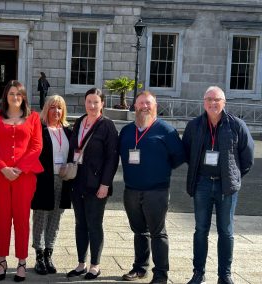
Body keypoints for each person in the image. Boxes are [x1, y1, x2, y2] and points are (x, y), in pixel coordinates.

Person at [183, 86, 254, 284]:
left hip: (226, 186)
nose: (213, 103)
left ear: (224, 102)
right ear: (203, 102)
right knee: (201, 230)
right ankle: (198, 273)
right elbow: (188, 153)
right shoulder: (194, 126)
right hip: (202, 185)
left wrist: (233, 177)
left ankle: (225, 275)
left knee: (226, 231)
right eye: (209, 99)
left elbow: (247, 158)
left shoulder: (237, 125)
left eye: (217, 100)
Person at [118, 91, 185, 284]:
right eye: (141, 103)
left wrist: (160, 169)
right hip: (131, 190)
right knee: (139, 231)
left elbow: (179, 157)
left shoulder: (166, 130)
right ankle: (140, 268)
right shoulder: (127, 131)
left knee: (157, 232)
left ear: (155, 106)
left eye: (148, 103)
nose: (144, 106)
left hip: (157, 191)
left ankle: (161, 274)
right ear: (135, 106)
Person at [0, 80, 43, 282]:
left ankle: (22, 261)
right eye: (11, 94)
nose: (15, 97)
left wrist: (19, 169)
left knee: (21, 219)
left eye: (19, 94)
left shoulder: (33, 117)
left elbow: (36, 146)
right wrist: (3, 168)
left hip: (24, 177)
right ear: (5, 97)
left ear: (24, 96)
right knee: (2, 218)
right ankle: (1, 260)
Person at [66, 88, 119, 280]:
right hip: (77, 181)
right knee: (80, 223)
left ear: (102, 104)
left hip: (97, 184)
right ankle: (81, 263)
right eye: (89, 101)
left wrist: (105, 184)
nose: (92, 105)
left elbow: (112, 158)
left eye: (96, 102)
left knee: (94, 224)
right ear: (84, 102)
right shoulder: (80, 121)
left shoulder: (107, 126)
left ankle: (95, 265)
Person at [30, 95, 72, 275]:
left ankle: (49, 253)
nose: (56, 111)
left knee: (55, 218)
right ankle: (39, 256)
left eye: (60, 108)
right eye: (53, 107)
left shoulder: (68, 130)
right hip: (43, 179)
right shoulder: (39, 128)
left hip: (62, 179)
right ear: (47, 108)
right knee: (41, 217)